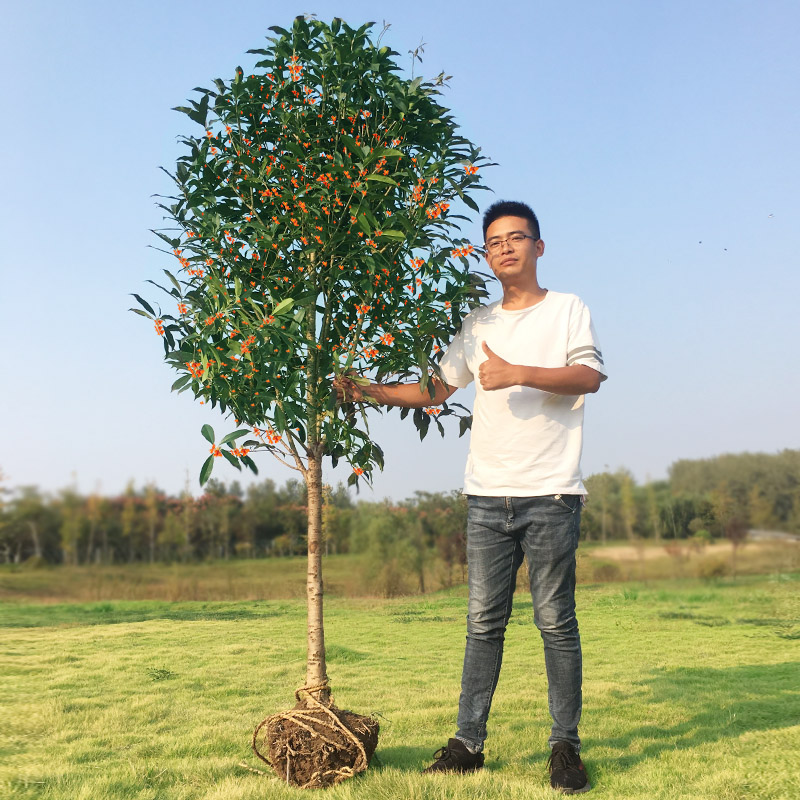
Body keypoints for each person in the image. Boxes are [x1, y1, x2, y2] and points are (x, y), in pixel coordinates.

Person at [337, 200, 606, 793]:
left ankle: (565, 748)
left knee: (555, 621)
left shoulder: (568, 310)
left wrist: (520, 373)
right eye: (493, 242)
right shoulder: (477, 322)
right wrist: (366, 389)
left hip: (551, 494)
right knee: (483, 622)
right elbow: (437, 389)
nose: (505, 248)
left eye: (516, 237)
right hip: (487, 496)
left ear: (539, 246)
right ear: (485, 256)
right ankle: (468, 744)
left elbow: (589, 377)